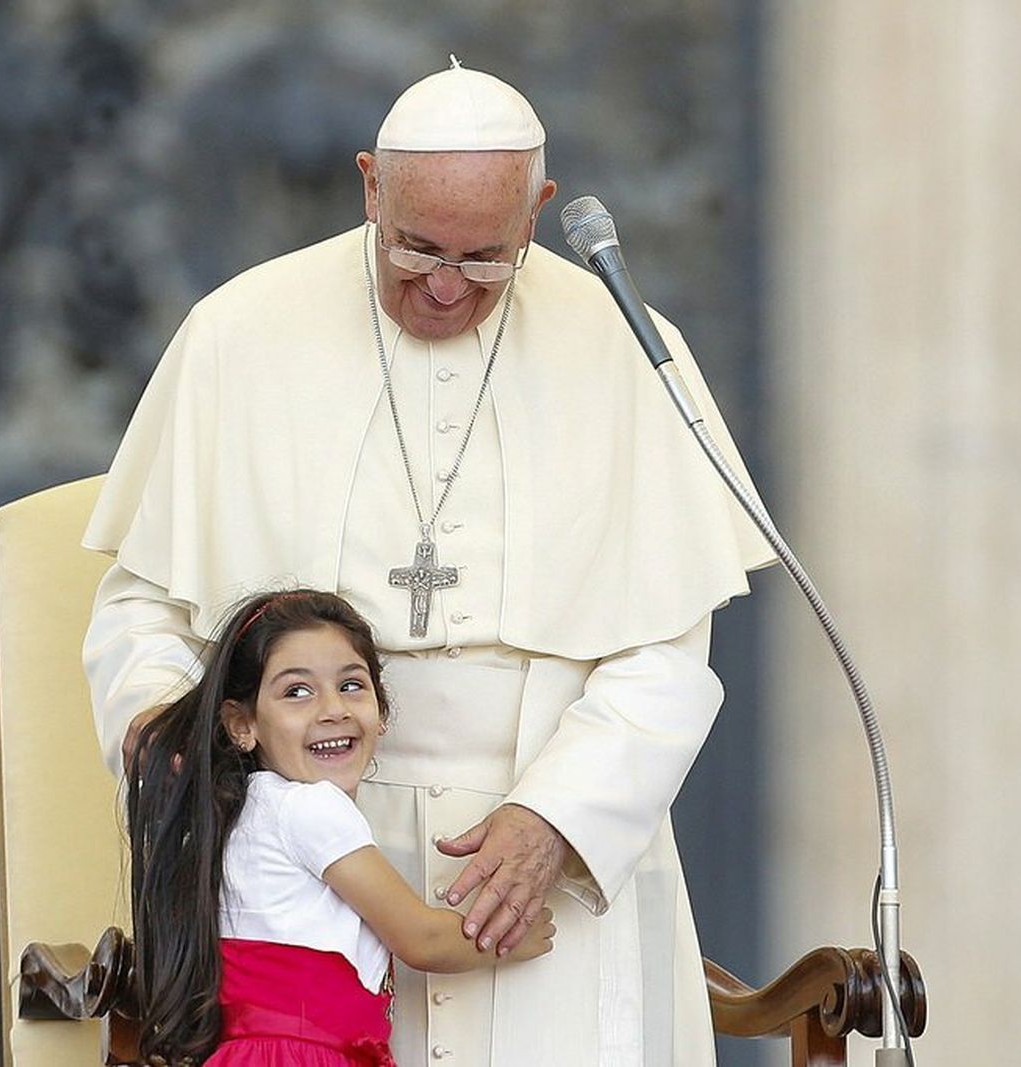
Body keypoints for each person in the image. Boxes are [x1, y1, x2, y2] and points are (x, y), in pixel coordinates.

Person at [84, 57, 776, 1065]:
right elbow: (143, 606)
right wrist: (168, 736)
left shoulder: (628, 347)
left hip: (543, 848)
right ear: (370, 184)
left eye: (487, 260)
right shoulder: (238, 334)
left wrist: (557, 817)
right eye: (413, 250)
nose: (446, 287)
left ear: (537, 210)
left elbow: (669, 652)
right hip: (301, 857)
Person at [127, 589, 555, 1066]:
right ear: (241, 724)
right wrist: (513, 937)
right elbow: (421, 939)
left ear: (383, 711)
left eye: (351, 685)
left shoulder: (241, 812)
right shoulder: (310, 810)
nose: (333, 708)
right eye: (297, 692)